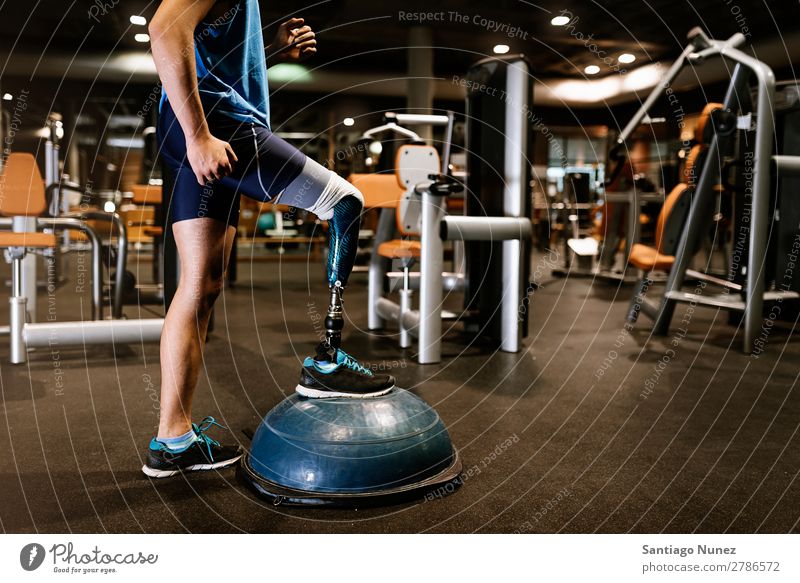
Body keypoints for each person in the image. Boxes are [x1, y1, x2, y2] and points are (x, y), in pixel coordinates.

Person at [143, 0, 394, 479]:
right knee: (345, 202)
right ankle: (325, 359)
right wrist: (199, 136)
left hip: (197, 121)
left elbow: (211, 54)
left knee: (202, 284)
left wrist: (269, 52)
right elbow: (164, 30)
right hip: (215, 123)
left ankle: (173, 439)